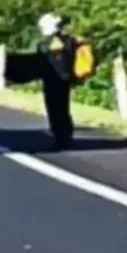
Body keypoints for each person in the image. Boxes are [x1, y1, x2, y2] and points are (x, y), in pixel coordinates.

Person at [36, 12, 77, 150]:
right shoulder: (69, 41)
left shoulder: (44, 44)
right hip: (65, 79)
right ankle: (66, 133)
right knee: (63, 107)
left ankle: (60, 136)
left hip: (52, 80)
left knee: (54, 108)